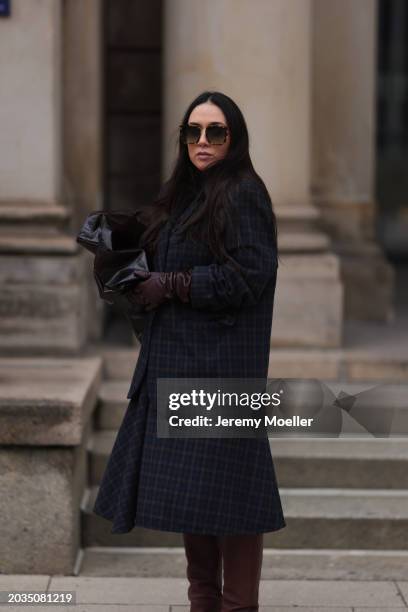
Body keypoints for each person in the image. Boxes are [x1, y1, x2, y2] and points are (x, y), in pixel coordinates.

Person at [93, 90, 286, 612]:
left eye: (215, 132)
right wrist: (121, 234)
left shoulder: (244, 192)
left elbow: (248, 277)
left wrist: (173, 283)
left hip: (222, 370)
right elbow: (160, 252)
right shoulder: (183, 194)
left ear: (233, 138)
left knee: (234, 499)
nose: (203, 141)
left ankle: (237, 605)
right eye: (193, 132)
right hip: (178, 363)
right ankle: (204, 602)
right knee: (197, 498)